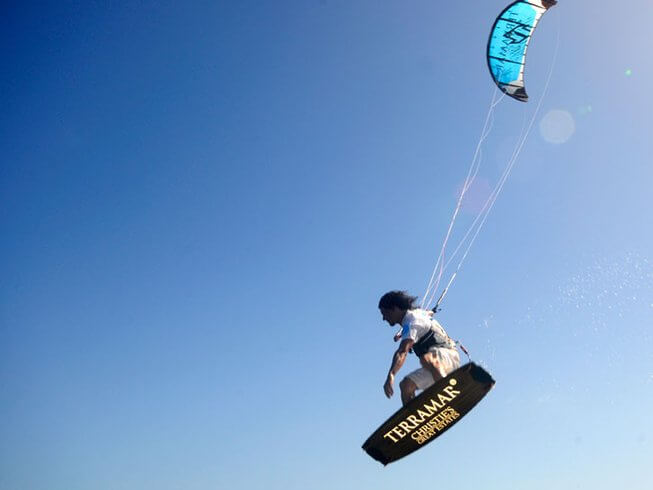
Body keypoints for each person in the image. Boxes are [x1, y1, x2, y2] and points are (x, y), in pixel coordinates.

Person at [379, 290, 461, 406]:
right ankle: (414, 417)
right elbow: (428, 313)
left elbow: (402, 351)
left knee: (427, 358)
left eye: (385, 313)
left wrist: (391, 374)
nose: (383, 318)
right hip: (435, 369)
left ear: (395, 308)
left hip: (448, 356)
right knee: (406, 386)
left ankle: (450, 393)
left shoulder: (413, 322)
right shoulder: (416, 315)